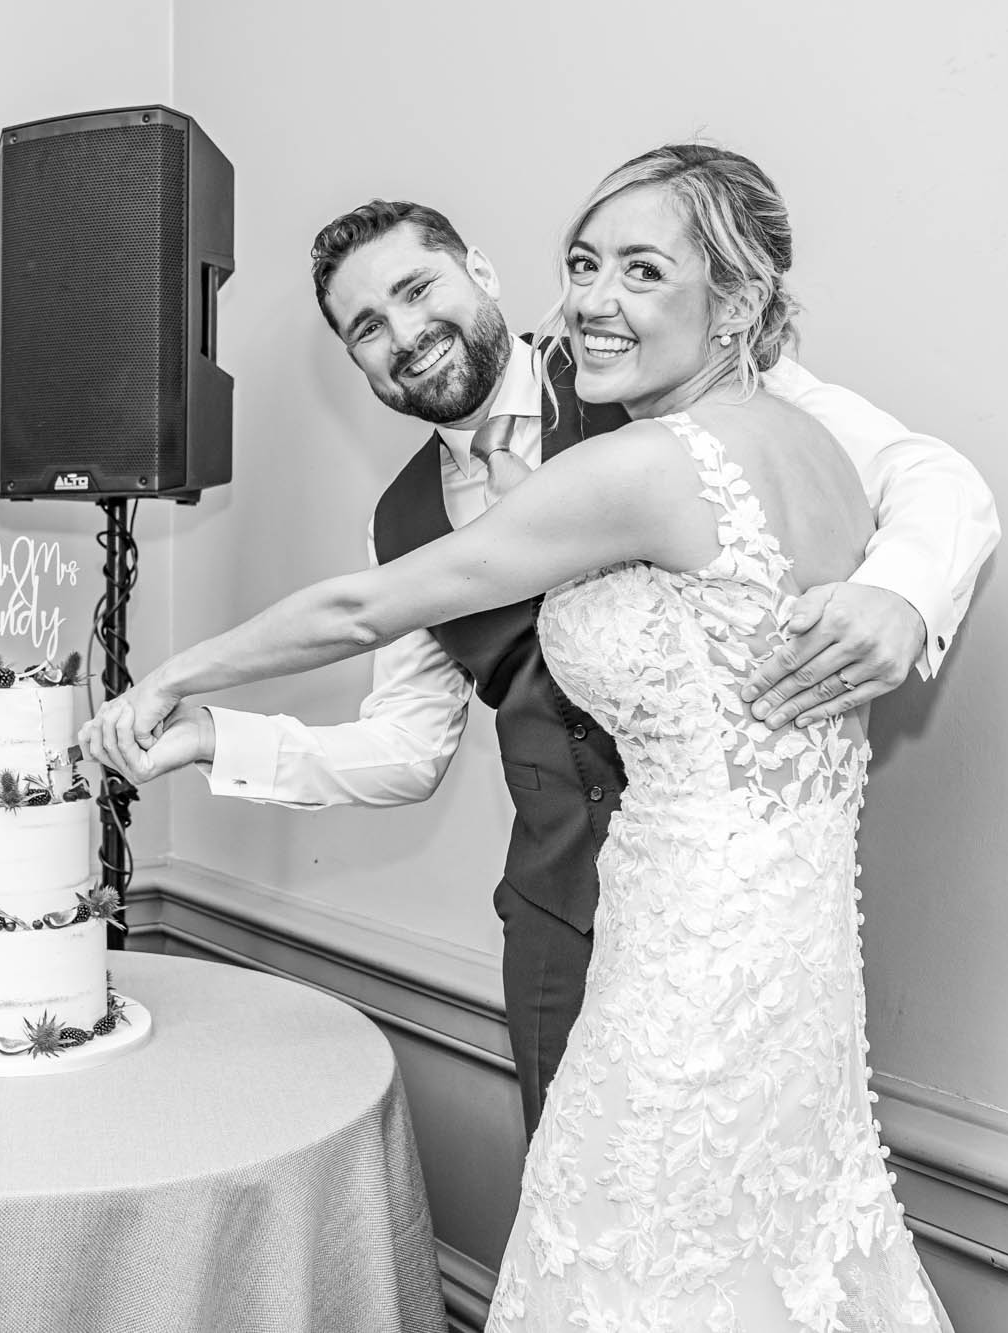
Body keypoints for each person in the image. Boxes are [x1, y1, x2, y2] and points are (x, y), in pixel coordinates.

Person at [81, 144, 960, 1329]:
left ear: (477, 272)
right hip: (576, 909)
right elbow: (404, 747)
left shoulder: (636, 377)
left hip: (708, 918)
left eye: (416, 290)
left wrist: (901, 590)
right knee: (637, 1242)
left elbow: (925, 473)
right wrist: (210, 742)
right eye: (363, 329)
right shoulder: (403, 512)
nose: (402, 333)